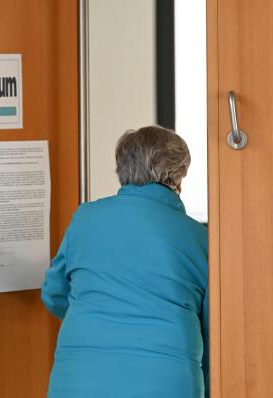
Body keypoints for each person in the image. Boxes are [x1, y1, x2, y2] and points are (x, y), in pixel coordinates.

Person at [41, 125, 209, 397]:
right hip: (164, 381)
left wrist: (97, 318)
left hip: (80, 380)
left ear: (123, 171)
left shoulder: (85, 219)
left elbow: (54, 293)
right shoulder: (198, 238)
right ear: (177, 178)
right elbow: (214, 328)